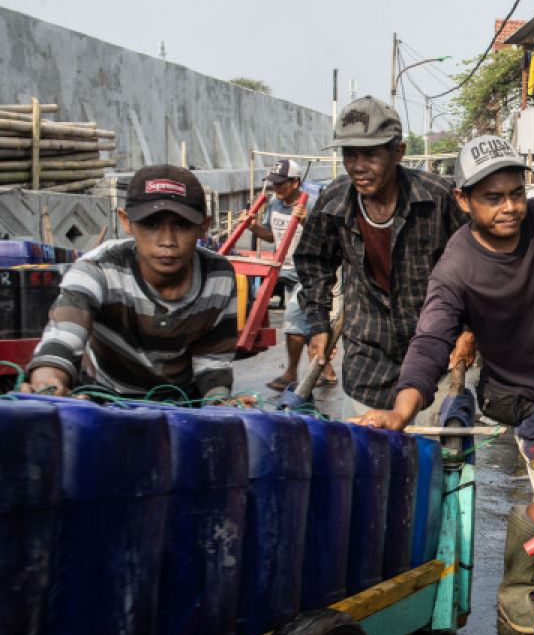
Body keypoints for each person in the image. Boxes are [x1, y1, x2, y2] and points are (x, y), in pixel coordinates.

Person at [352, 135, 534, 633]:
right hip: (531, 397)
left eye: (516, 193)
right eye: (492, 198)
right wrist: (402, 410)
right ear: (464, 200)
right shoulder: (457, 270)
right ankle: (516, 588)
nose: (510, 208)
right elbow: (431, 342)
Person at [294, 96, 473, 418]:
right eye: (350, 154)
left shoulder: (436, 198)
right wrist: (319, 323)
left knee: (430, 457)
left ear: (398, 153)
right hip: (368, 358)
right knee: (369, 458)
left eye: (371, 154)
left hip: (435, 353)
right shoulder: (334, 202)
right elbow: (313, 260)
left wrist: (470, 331)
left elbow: (477, 267)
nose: (358, 166)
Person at [24, 164, 240, 403]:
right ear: (126, 221)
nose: (167, 241)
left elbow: (212, 362)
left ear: (204, 226)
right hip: (103, 400)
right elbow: (64, 336)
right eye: (152, 224)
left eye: (182, 225)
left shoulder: (218, 275)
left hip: (180, 407)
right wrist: (47, 380)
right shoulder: (98, 268)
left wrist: (220, 402)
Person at [239, 158, 336, 391]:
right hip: (287, 270)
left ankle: (291, 373)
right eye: (273, 184)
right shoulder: (274, 203)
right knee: (312, 325)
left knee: (293, 320)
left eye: (280, 184)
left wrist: (306, 221)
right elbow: (272, 236)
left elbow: (330, 240)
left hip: (311, 272)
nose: (276, 189)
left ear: (294, 183)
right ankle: (326, 371)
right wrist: (252, 227)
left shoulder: (312, 204)